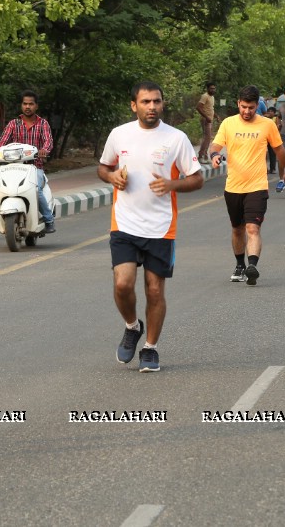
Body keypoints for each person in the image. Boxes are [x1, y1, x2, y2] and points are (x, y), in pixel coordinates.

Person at [98, 81, 204, 373]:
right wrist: (112, 178)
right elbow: (102, 167)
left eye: (156, 101)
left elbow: (197, 178)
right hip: (125, 223)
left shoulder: (176, 138)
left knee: (155, 291)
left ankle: (150, 347)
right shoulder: (119, 135)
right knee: (122, 284)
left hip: (160, 228)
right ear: (134, 105)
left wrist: (172, 184)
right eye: (145, 102)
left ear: (162, 104)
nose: (152, 107)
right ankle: (132, 327)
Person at [210, 85, 285, 284]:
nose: (247, 111)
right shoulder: (228, 124)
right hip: (233, 187)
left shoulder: (267, 125)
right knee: (237, 229)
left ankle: (252, 266)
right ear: (238, 104)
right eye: (244, 107)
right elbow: (215, 145)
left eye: (252, 107)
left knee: (253, 228)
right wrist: (214, 156)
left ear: (258, 106)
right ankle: (240, 265)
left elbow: (279, 150)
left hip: (257, 185)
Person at [0, 90, 56, 233]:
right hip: (12, 169)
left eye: (31, 104)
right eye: (25, 104)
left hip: (34, 168)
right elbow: (2, 142)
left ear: (36, 106)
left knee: (36, 190)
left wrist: (44, 150)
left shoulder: (43, 124)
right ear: (21, 105)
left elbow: (48, 142)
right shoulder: (14, 124)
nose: (27, 107)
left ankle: (49, 219)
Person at [195, 82, 217, 163]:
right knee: (206, 138)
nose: (213, 90)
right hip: (205, 120)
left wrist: (216, 116)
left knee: (208, 138)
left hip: (209, 120)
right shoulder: (205, 96)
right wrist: (206, 117)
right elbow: (198, 107)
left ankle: (204, 155)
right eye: (211, 88)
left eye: (214, 88)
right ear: (207, 89)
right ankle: (201, 156)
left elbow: (210, 108)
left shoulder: (212, 97)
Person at [264, 106, 279, 174]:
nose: (270, 113)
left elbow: (278, 126)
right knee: (264, 154)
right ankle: (265, 168)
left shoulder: (276, 118)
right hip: (265, 138)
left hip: (272, 138)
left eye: (271, 112)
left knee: (272, 154)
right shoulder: (265, 118)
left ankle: (272, 168)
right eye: (269, 111)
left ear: (274, 113)